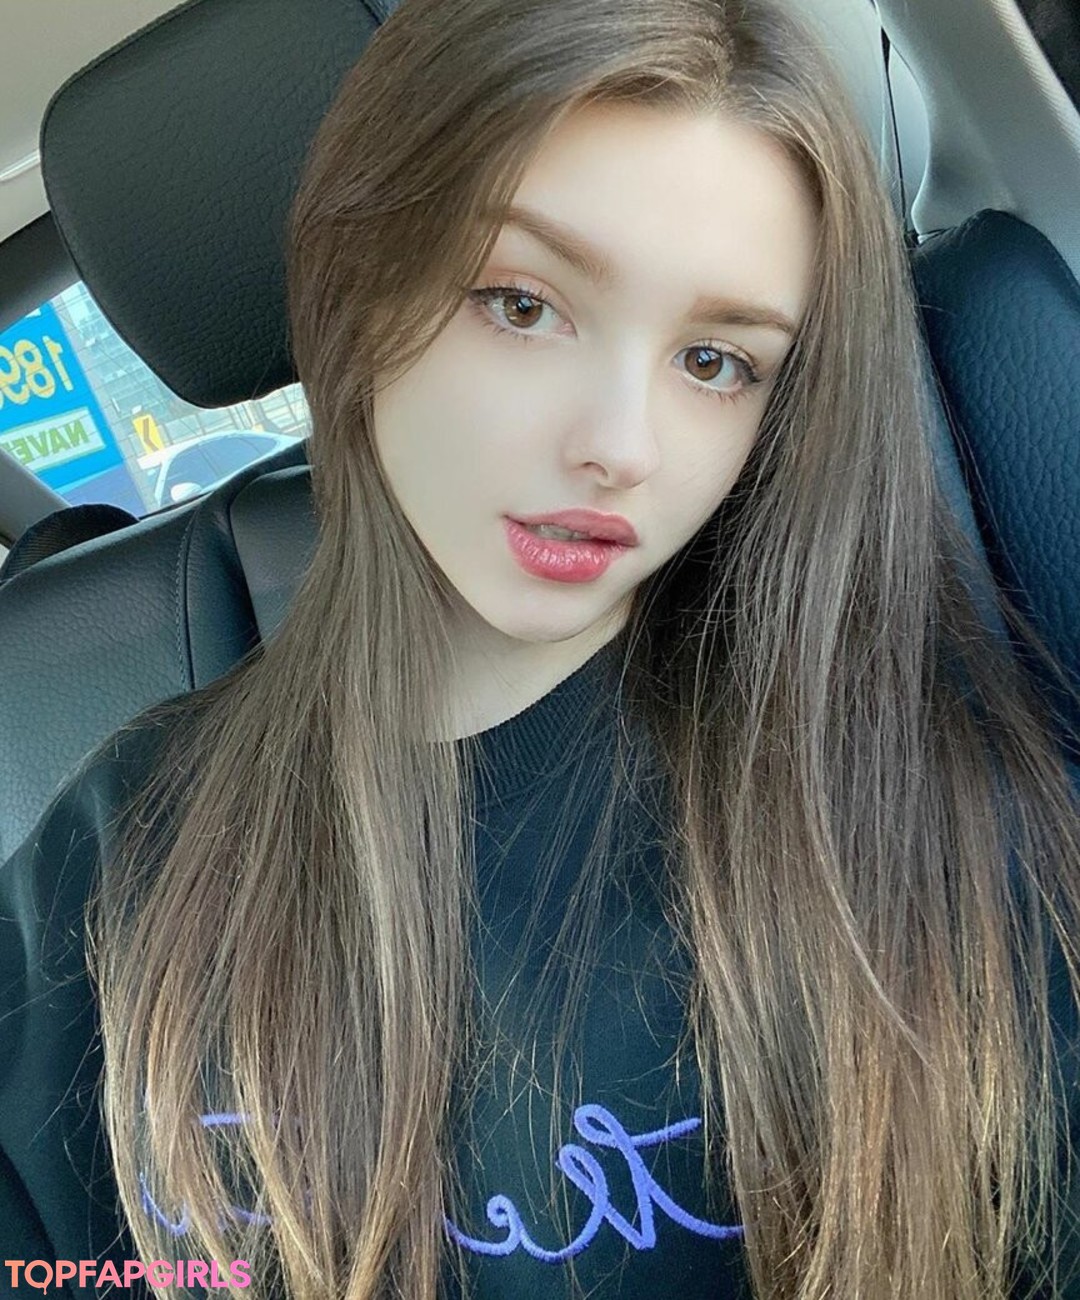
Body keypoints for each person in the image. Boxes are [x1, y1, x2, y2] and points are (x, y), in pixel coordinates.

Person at [3, 0, 1080, 1296]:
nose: (621, 444)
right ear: (358, 285)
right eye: (522, 304)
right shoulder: (113, 856)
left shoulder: (920, 832)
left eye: (714, 361)